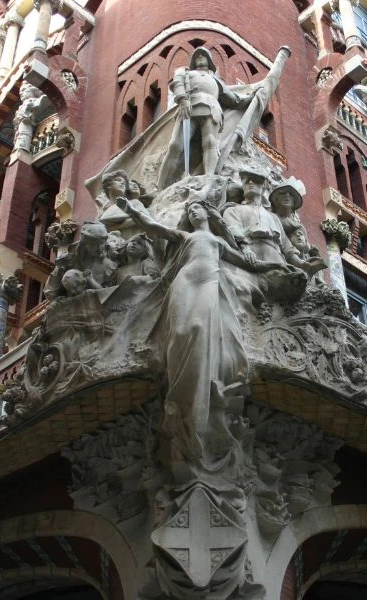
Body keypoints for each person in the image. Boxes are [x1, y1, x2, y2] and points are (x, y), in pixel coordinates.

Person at [113, 195, 288, 471]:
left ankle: (200, 395)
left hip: (210, 280)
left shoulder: (218, 242)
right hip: (186, 280)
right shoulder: (184, 236)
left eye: (197, 209)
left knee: (199, 328)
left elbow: (249, 264)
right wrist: (132, 208)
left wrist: (278, 265)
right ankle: (177, 393)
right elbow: (152, 226)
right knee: (181, 329)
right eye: (190, 210)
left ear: (208, 214)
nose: (193, 213)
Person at [160, 48, 250, 188]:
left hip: (212, 109)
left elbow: (234, 100)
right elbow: (177, 84)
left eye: (204, 55)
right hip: (189, 107)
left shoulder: (216, 81)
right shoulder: (185, 72)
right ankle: (161, 185)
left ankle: (209, 178)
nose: (200, 57)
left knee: (210, 143)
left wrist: (252, 97)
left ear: (210, 61)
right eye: (197, 56)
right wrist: (182, 99)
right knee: (175, 145)